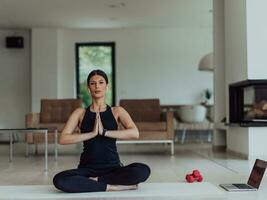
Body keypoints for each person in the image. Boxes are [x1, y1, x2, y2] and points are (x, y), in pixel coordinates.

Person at [53, 69, 150, 193]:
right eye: (93, 83)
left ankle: (97, 181)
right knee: (59, 180)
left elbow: (134, 133)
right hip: (87, 169)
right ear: (89, 88)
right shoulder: (80, 113)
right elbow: (63, 139)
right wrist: (91, 134)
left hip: (113, 168)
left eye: (101, 82)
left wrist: (104, 132)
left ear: (107, 86)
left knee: (143, 170)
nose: (97, 86)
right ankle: (111, 186)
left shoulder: (117, 111)